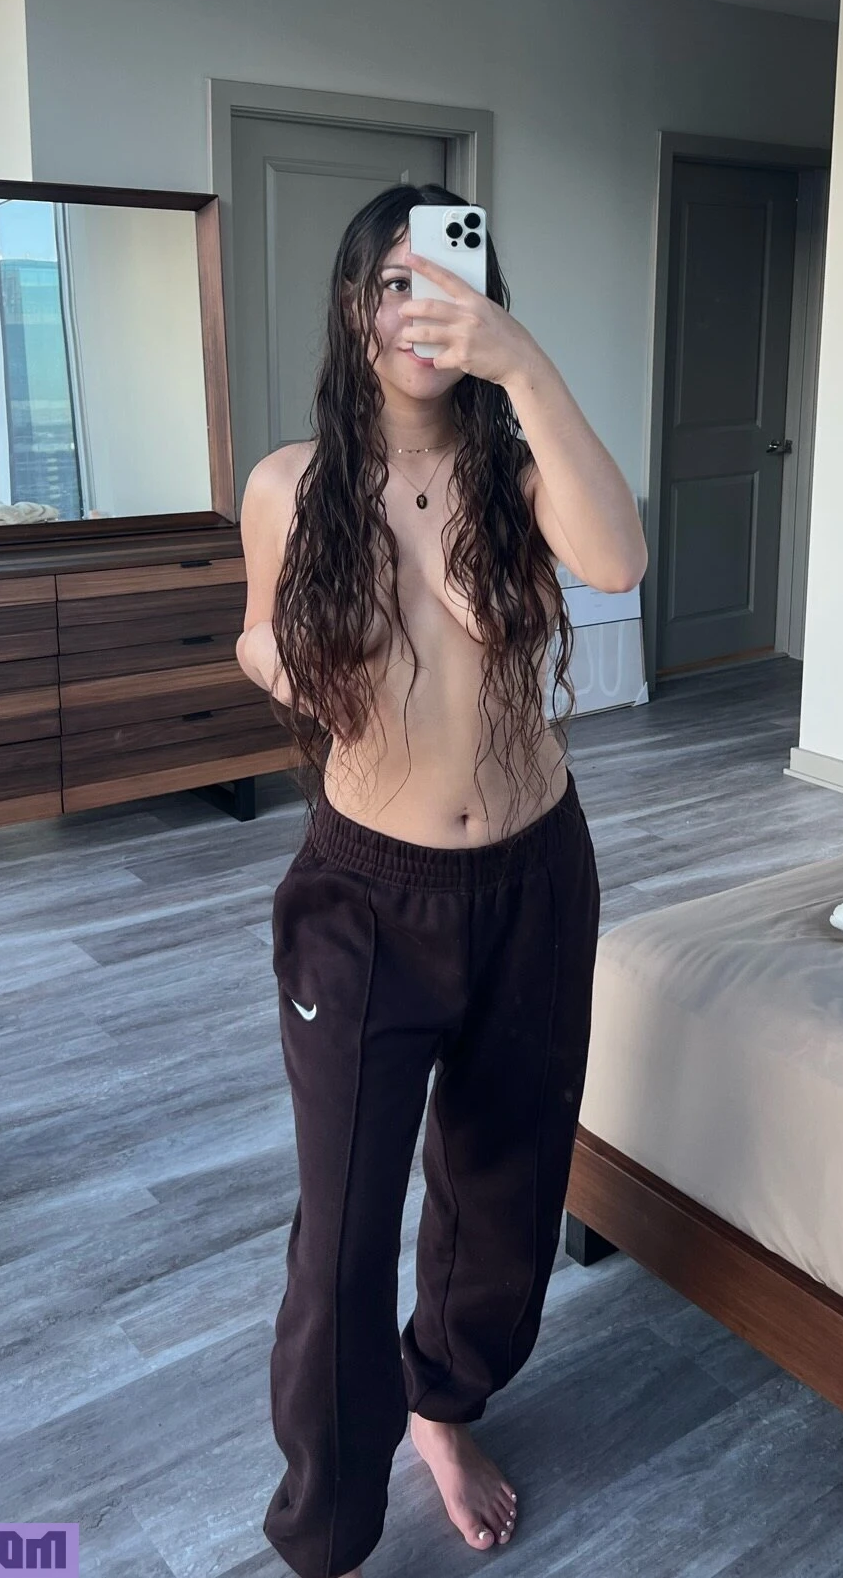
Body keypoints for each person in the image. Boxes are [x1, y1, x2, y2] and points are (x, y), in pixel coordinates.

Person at [236, 184, 647, 1578]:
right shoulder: (291, 486)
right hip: (365, 898)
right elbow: (254, 633)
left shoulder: (519, 474)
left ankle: (444, 1404)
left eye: (448, 282)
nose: (422, 310)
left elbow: (617, 556)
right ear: (356, 307)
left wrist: (524, 365)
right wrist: (289, 666)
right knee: (343, 1231)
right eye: (395, 283)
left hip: (535, 878)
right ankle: (325, 1532)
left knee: (505, 1185)